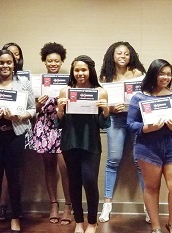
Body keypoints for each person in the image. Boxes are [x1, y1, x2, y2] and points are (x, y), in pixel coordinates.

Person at [0, 49, 36, 233]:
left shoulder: (23, 84)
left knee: (14, 178)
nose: (5, 66)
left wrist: (19, 116)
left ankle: (15, 217)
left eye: (8, 62)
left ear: (14, 64)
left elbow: (33, 109)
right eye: (1, 62)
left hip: (14, 135)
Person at [127, 59, 172, 233]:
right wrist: (147, 128)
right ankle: (156, 226)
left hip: (171, 145)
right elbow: (130, 124)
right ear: (153, 74)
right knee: (152, 187)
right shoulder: (139, 97)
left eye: (169, 74)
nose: (166, 77)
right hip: (148, 147)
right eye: (162, 73)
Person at [56, 55, 110, 233]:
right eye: (77, 70)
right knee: (74, 182)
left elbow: (103, 124)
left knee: (90, 181)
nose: (80, 73)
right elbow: (60, 124)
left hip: (91, 142)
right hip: (70, 142)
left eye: (84, 69)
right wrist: (60, 110)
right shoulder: (66, 91)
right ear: (73, 71)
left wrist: (106, 111)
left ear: (90, 71)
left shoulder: (100, 92)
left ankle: (92, 222)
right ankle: (79, 221)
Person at [98, 41, 150, 223]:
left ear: (131, 56)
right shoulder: (105, 77)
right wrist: (111, 108)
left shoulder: (139, 75)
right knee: (113, 160)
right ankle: (106, 205)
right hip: (115, 119)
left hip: (136, 119)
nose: (122, 56)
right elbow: (101, 104)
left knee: (140, 162)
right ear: (112, 55)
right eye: (119, 53)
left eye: (126, 54)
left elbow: (146, 98)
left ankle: (148, 207)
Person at [30, 42, 72, 225]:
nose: (53, 64)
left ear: (62, 62)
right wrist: (39, 103)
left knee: (65, 168)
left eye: (56, 61)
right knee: (49, 167)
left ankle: (68, 206)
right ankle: (53, 204)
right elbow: (31, 108)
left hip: (63, 126)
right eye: (49, 61)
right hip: (44, 125)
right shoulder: (36, 82)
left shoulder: (69, 81)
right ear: (44, 62)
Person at [0, 42, 25, 220]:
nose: (12, 57)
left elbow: (29, 107)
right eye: (9, 55)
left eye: (16, 55)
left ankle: (16, 208)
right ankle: (1, 205)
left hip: (18, 129)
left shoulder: (24, 81)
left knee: (17, 172)